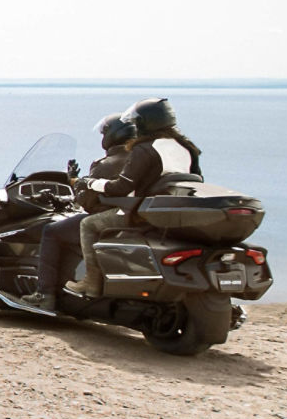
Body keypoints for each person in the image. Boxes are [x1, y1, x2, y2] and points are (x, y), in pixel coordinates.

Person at [74, 97, 203, 295]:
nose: (134, 125)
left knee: (88, 224)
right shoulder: (187, 148)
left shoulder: (145, 148)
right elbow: (197, 180)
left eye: (136, 121)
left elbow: (121, 188)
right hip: (172, 212)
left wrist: (90, 183)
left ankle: (91, 281)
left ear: (145, 122)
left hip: (141, 213)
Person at [11, 113, 136, 312]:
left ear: (113, 136)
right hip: (132, 218)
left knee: (51, 232)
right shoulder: (137, 159)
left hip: (107, 219)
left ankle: (44, 294)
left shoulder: (106, 164)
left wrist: (73, 183)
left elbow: (87, 202)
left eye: (105, 133)